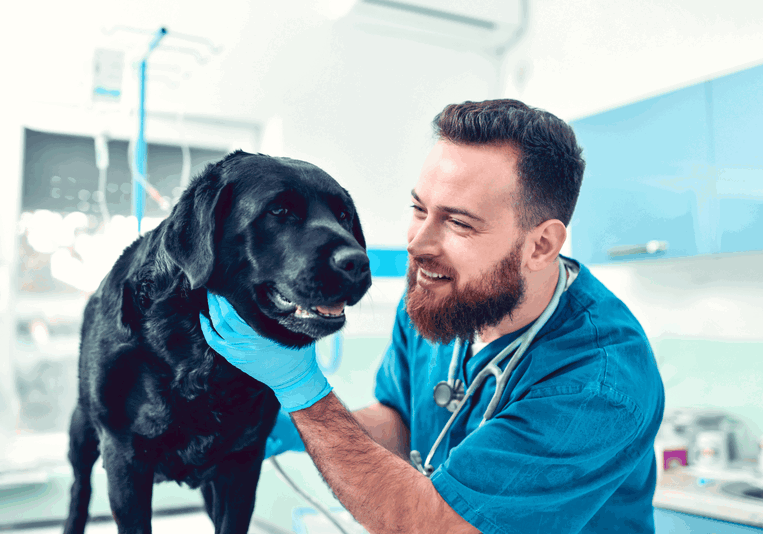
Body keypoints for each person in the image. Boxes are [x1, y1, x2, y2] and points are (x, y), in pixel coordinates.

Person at [200, 99, 665, 533]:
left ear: (540, 245)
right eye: (419, 209)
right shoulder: (442, 296)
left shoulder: (596, 383)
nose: (418, 245)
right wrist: (279, 428)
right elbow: (397, 420)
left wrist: (303, 393)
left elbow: (432, 524)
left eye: (459, 222)